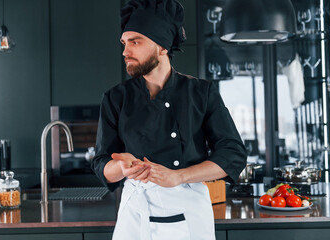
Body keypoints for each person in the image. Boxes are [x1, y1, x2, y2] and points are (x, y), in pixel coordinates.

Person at [90, 0, 247, 239]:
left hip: (189, 209)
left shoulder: (201, 93)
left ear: (162, 47)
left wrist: (179, 176)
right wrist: (121, 168)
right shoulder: (115, 98)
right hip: (136, 213)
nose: (125, 51)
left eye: (135, 42)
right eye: (124, 43)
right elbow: (102, 163)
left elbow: (233, 153)